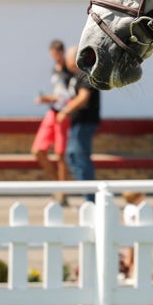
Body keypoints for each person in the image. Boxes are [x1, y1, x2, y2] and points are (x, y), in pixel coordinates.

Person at [31, 39, 77, 206]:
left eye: (58, 55)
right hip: (52, 112)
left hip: (63, 115)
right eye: (53, 55)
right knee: (38, 151)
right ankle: (58, 184)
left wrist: (48, 98)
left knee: (60, 155)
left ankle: (62, 193)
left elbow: (69, 95)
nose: (56, 58)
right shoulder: (54, 71)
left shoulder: (69, 71)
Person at [60, 46, 101, 203]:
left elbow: (84, 97)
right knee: (73, 157)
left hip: (84, 123)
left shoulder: (85, 75)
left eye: (69, 57)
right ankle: (88, 196)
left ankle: (91, 199)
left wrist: (66, 111)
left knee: (80, 158)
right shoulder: (76, 76)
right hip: (77, 124)